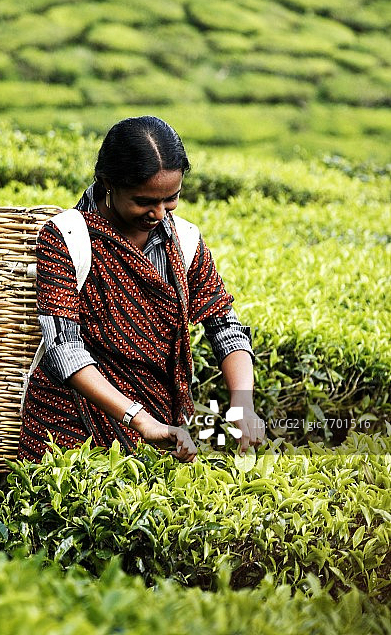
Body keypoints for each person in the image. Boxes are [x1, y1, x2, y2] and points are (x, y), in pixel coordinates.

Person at [18, 116, 265, 464]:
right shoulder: (67, 237)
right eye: (144, 201)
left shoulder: (184, 240)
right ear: (108, 183)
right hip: (71, 431)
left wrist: (243, 402)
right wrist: (140, 420)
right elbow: (64, 349)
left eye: (171, 199)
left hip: (162, 429)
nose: (159, 213)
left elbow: (224, 325)